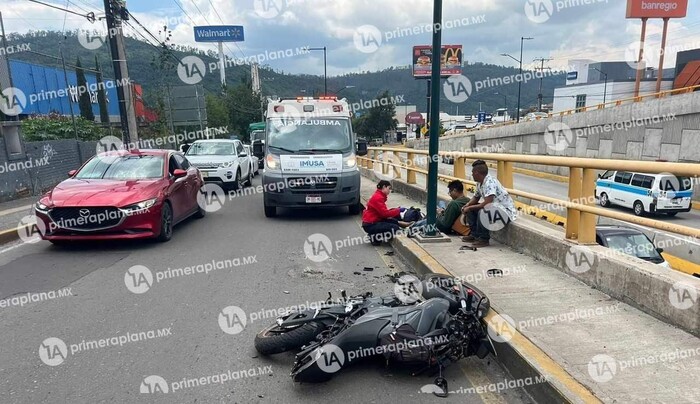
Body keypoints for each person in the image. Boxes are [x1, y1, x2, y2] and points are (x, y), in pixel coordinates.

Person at [461, 160, 517, 247]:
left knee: (482, 211)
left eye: (472, 172)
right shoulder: (479, 183)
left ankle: (484, 239)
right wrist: (467, 205)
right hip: (494, 209)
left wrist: (470, 208)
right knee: (471, 209)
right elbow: (476, 197)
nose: (471, 174)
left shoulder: (490, 182)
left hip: (506, 212)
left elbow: (487, 203)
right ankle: (475, 235)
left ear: (477, 173)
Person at [362, 180, 413, 246]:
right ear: (384, 187)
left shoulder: (378, 196)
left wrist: (395, 211)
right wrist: (398, 210)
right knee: (395, 228)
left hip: (373, 222)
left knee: (392, 220)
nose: (390, 191)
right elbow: (385, 214)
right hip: (370, 225)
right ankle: (374, 237)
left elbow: (384, 214)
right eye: (389, 188)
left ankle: (405, 224)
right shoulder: (378, 198)